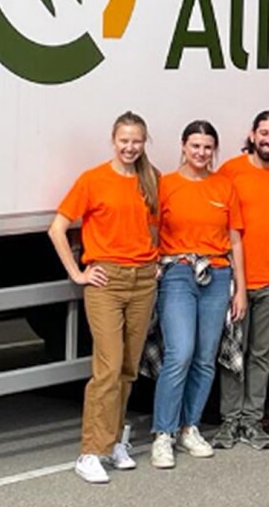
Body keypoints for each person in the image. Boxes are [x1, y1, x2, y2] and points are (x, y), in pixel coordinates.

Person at [49, 112, 161, 484]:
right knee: (108, 368)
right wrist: (77, 273)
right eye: (124, 140)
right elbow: (57, 229)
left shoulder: (151, 179)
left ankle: (113, 443)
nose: (130, 147)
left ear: (144, 142)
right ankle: (90, 452)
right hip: (106, 282)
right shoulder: (93, 180)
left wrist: (155, 261)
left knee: (128, 367)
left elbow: (155, 227)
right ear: (113, 140)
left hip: (143, 280)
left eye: (137, 141)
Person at [150, 121, 248, 470]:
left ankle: (188, 428)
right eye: (195, 146)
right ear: (183, 146)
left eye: (208, 147)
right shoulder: (165, 186)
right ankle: (163, 433)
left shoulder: (224, 186)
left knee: (206, 358)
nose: (201, 153)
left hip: (218, 275)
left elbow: (235, 240)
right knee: (180, 353)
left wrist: (241, 290)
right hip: (178, 272)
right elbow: (151, 232)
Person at [213, 111, 269, 451]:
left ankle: (252, 420)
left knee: (261, 354)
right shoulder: (231, 171)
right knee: (233, 355)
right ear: (252, 135)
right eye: (263, 133)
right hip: (235, 281)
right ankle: (229, 420)